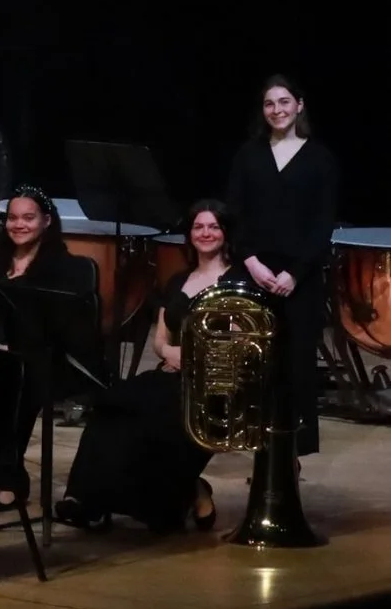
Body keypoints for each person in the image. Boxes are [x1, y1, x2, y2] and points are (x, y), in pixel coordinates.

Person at [57, 201, 240, 531]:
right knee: (112, 405)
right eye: (199, 227)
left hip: (212, 385)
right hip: (170, 374)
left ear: (226, 233)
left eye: (214, 226)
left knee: (154, 420)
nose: (206, 233)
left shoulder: (238, 281)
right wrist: (169, 353)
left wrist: (192, 358)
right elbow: (160, 339)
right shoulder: (179, 280)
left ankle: (182, 494)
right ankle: (85, 499)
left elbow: (239, 342)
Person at [224, 74, 339, 458]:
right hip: (255, 270)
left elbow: (322, 224)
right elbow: (235, 214)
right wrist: (252, 262)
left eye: (284, 102)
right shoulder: (248, 154)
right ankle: (256, 447)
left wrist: (296, 274)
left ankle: (292, 458)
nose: (277, 110)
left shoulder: (320, 158)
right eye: (270, 104)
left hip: (298, 278)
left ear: (299, 106)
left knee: (297, 366)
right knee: (255, 363)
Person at [0, 188, 103, 511]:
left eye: (28, 218)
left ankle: (9, 480)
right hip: (2, 353)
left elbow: (65, 328)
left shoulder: (65, 266)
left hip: (49, 357)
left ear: (46, 221)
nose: (18, 225)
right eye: (12, 218)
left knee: (14, 382)